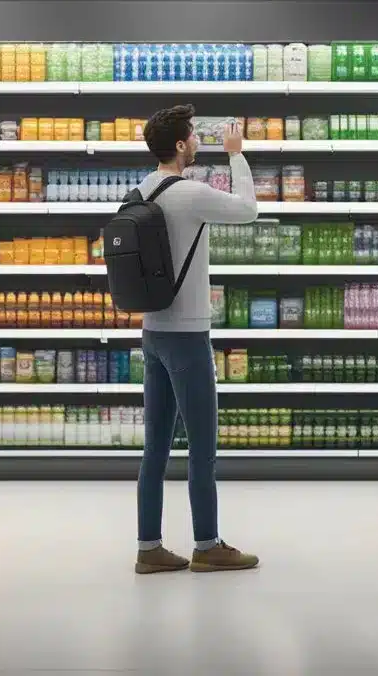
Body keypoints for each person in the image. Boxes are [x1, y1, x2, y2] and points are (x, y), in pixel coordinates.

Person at [134, 104, 260, 574]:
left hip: (152, 333)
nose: (199, 141)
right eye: (194, 135)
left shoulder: (141, 190)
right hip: (187, 336)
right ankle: (207, 545)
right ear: (183, 145)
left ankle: (149, 548)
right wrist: (236, 155)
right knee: (202, 448)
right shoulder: (188, 193)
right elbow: (248, 209)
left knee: (155, 449)